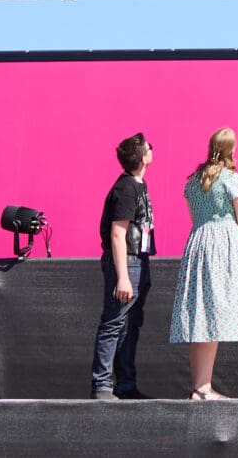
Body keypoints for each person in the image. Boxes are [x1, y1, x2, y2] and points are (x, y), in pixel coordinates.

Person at [168, 128, 238, 401]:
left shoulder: (193, 180)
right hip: (223, 243)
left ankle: (200, 385)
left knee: (200, 316)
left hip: (199, 241)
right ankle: (203, 387)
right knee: (213, 312)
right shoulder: (232, 179)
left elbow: (194, 217)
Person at [92, 131, 156, 401]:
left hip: (138, 261)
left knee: (130, 324)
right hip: (126, 262)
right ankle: (102, 385)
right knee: (114, 322)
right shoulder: (126, 188)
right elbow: (117, 234)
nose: (152, 150)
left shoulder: (137, 185)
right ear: (142, 158)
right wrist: (123, 277)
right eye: (149, 148)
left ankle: (126, 384)